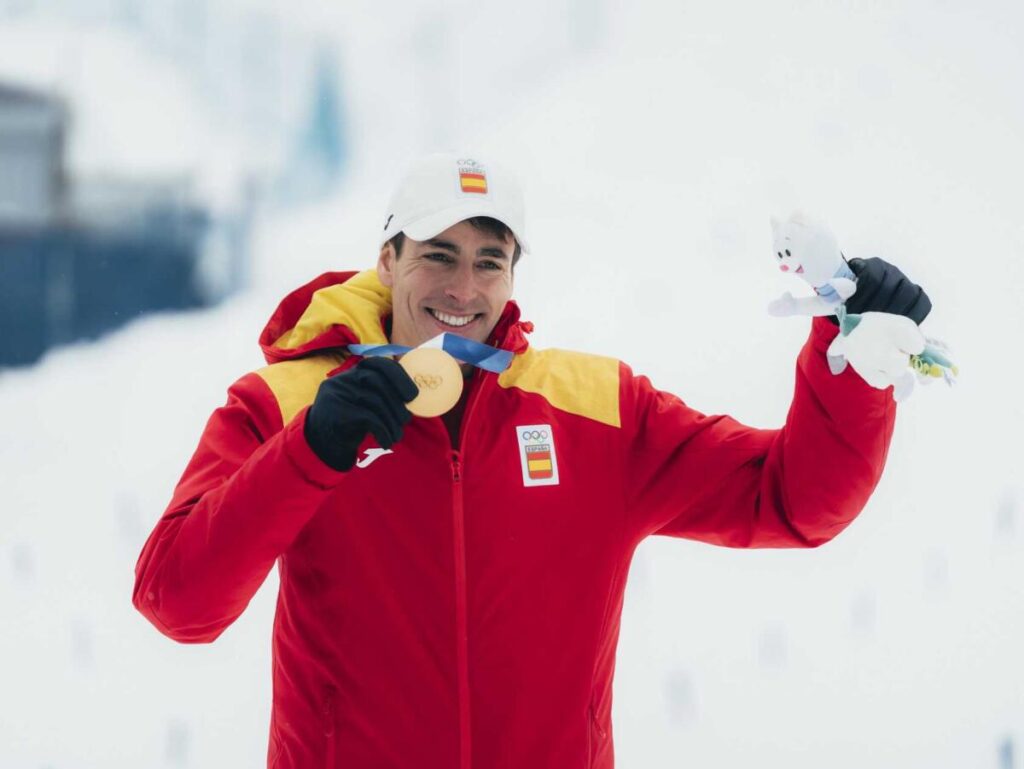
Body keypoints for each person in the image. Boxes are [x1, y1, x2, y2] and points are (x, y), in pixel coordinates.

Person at [133, 153, 932, 769]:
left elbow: (792, 500)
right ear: (387, 259)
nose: (462, 286)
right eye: (436, 255)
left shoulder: (596, 410)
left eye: (489, 260)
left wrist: (853, 368)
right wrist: (309, 451)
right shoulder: (284, 405)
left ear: (513, 275)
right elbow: (178, 600)